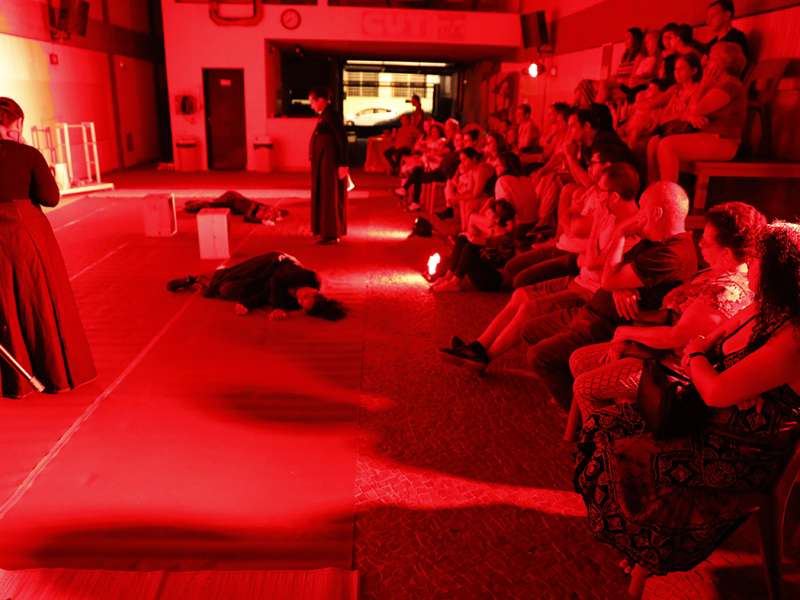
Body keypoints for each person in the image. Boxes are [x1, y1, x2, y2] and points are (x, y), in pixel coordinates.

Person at [574, 220, 800, 582]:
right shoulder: (766, 306)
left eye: (756, 260)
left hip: (740, 449)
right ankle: (636, 541)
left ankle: (648, 545)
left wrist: (696, 357)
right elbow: (718, 334)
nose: (748, 265)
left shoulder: (793, 336)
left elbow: (715, 390)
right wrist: (704, 350)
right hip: (718, 417)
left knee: (626, 449)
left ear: (777, 271)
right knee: (608, 423)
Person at [569, 201, 765, 424]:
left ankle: (604, 438)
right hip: (652, 349)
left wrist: (626, 333)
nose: (699, 243)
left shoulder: (726, 291)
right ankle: (600, 429)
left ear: (727, 254)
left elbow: (676, 337)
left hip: (670, 370)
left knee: (585, 386)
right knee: (579, 360)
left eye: (707, 242)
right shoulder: (715, 272)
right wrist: (624, 292)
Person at [442, 163, 640, 367]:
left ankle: (486, 356)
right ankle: (479, 346)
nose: (596, 195)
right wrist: (593, 242)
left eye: (601, 191)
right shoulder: (609, 215)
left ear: (614, 196)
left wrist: (595, 226)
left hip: (590, 291)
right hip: (581, 277)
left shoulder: (629, 228)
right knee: (520, 294)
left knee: (530, 307)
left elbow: (591, 259)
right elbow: (586, 253)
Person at [523, 181, 698, 404]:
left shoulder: (672, 254)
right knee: (529, 329)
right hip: (593, 313)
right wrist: (620, 286)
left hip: (606, 326)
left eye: (642, 209)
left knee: (539, 357)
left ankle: (581, 411)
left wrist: (620, 232)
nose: (638, 216)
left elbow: (608, 278)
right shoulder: (654, 241)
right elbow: (614, 269)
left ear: (657, 213)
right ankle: (570, 390)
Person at [0, 97, 96, 398]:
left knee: (5, 306)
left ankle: (13, 381)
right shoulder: (27, 154)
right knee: (39, 301)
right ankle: (53, 372)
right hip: (25, 234)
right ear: (14, 125)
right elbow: (51, 197)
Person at [648, 42, 747, 183]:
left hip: (724, 142)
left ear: (722, 63)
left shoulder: (730, 85)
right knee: (658, 143)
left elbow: (695, 109)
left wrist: (703, 85)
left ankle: (668, 197)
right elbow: (691, 109)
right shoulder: (718, 83)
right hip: (709, 137)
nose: (705, 61)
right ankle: (657, 192)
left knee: (667, 145)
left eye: (711, 57)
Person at [166, 251, 346, 321]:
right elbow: (277, 280)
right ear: (315, 291)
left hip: (264, 281)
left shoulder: (291, 303)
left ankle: (200, 282)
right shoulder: (311, 278)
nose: (299, 297)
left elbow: (266, 293)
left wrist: (246, 304)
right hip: (273, 263)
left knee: (225, 290)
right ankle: (196, 278)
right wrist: (277, 308)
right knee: (232, 274)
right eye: (306, 296)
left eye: (301, 302)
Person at [430, 200, 516, 293]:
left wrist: (472, 237)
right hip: (485, 269)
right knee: (462, 239)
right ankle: (448, 276)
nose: (489, 214)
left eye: (493, 212)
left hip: (493, 280)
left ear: (499, 218)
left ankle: (455, 283)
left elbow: (481, 244)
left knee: (470, 247)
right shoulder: (494, 229)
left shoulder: (503, 235)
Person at [308, 86, 348, 245]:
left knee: (329, 196)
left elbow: (341, 139)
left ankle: (331, 233)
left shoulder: (332, 115)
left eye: (312, 101)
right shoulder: (325, 115)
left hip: (330, 162)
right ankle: (325, 230)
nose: (311, 105)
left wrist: (343, 163)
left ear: (321, 100)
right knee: (325, 195)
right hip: (325, 162)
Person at [705, 0, 749, 70]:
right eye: (708, 18)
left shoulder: (736, 38)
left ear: (727, 15)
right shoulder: (711, 44)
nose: (708, 21)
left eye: (713, 16)